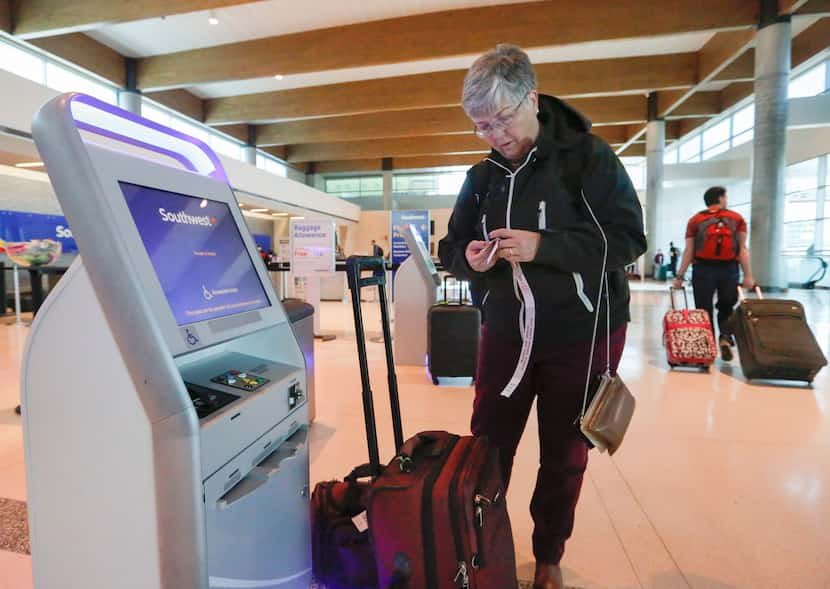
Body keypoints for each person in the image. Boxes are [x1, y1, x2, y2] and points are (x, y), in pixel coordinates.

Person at [438, 44, 646, 589]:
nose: (494, 135)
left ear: (531, 98)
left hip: (580, 334)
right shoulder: (483, 176)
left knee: (564, 452)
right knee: (487, 448)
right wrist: (471, 260)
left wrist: (542, 246)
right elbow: (450, 247)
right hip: (506, 334)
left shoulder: (588, 157)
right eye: (481, 126)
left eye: (502, 118)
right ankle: (482, 548)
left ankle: (548, 554)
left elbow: (627, 240)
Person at [672, 186, 754, 361]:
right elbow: (742, 250)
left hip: (703, 269)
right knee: (726, 307)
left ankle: (706, 347)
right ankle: (725, 337)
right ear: (721, 198)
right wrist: (748, 275)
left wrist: (679, 277)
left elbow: (689, 250)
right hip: (729, 269)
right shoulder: (736, 219)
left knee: (703, 309)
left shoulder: (695, 220)